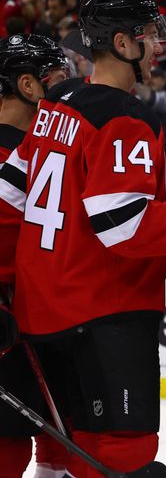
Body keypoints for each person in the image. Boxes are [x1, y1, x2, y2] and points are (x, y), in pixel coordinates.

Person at [0, 0, 166, 477]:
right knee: (119, 454)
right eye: (150, 34)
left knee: (78, 452)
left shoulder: (58, 102)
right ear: (123, 44)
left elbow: (9, 191)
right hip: (105, 313)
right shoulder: (125, 118)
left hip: (43, 313)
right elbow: (124, 227)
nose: (158, 45)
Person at [0, 33, 70, 478]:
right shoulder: (28, 157)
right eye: (59, 80)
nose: (68, 92)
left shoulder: (46, 153)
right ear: (29, 86)